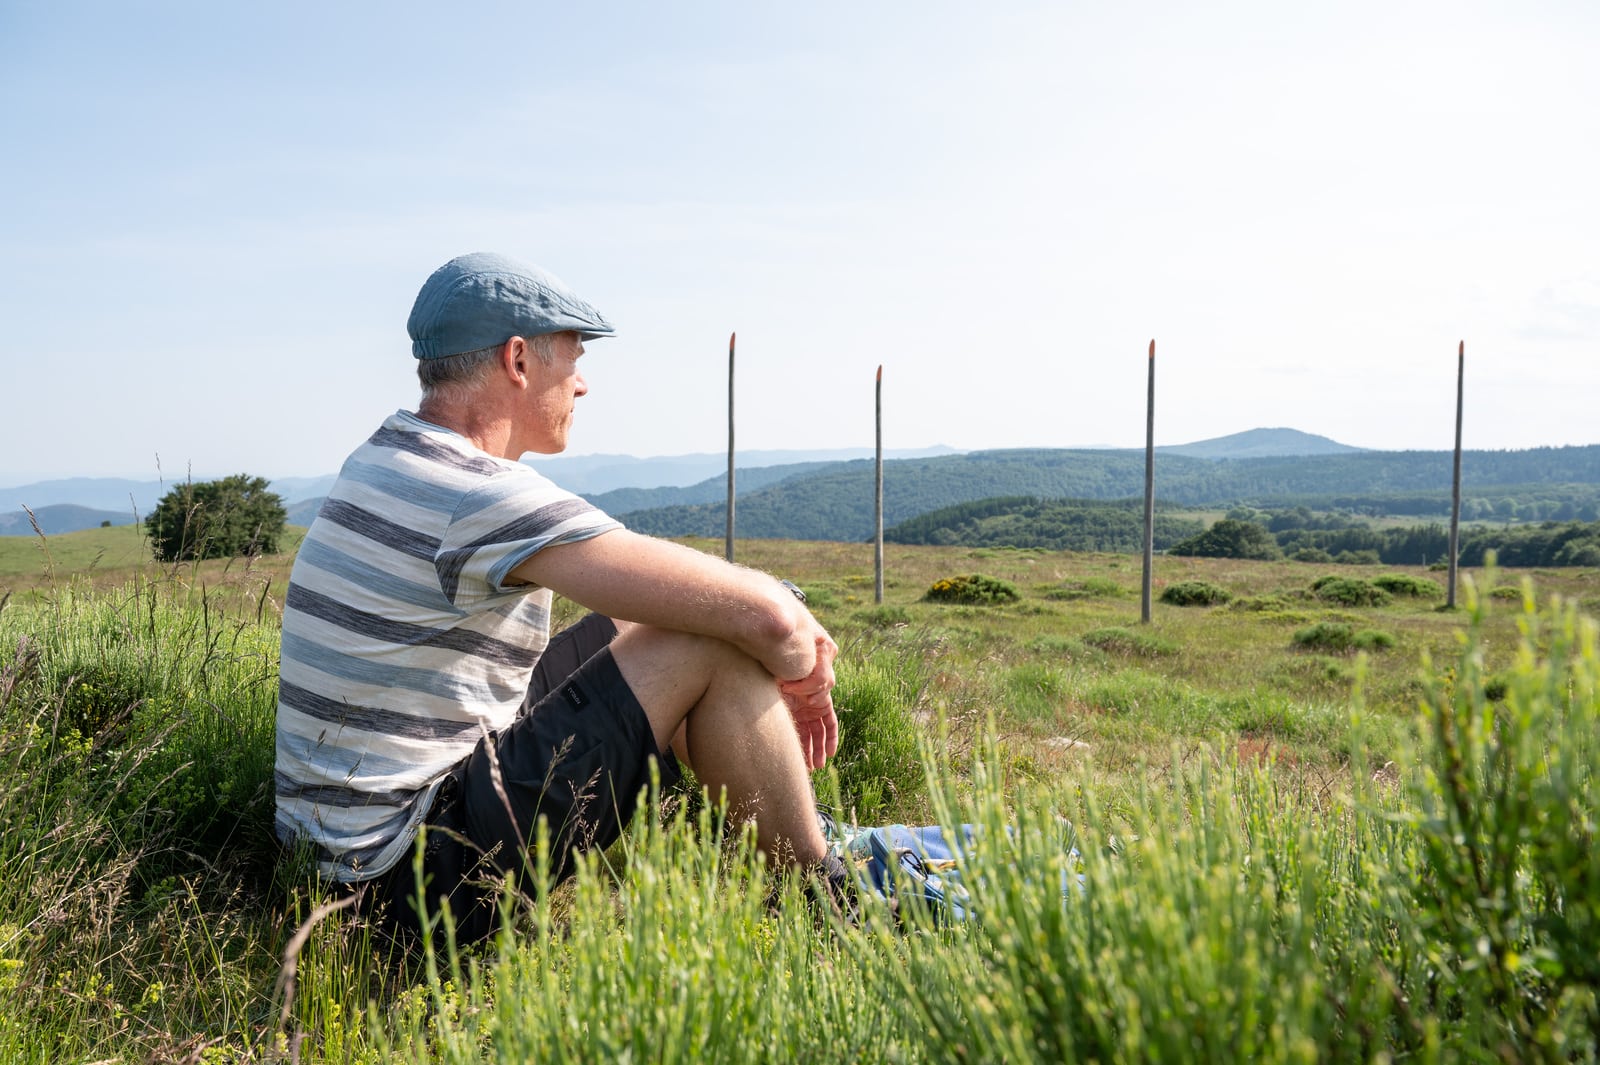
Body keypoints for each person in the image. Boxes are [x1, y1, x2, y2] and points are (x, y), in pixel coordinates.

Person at [275, 252, 849, 943]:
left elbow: (671, 598)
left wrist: (764, 619)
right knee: (710, 637)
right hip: (402, 889)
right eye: (572, 358)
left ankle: (774, 823)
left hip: (332, 860)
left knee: (682, 617)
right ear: (518, 361)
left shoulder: (385, 457)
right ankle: (824, 902)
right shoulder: (477, 493)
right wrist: (804, 676)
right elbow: (767, 618)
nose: (582, 385)